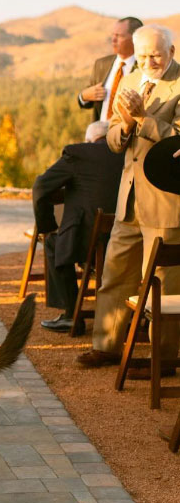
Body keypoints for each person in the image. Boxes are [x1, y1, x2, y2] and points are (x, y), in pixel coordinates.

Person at [77, 25, 180, 377]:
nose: (149, 61)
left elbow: (178, 138)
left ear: (172, 50)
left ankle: (163, 359)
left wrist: (141, 119)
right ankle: (105, 346)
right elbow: (114, 140)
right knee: (114, 274)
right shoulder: (130, 78)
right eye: (143, 55)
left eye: (156, 54)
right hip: (129, 197)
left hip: (167, 199)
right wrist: (122, 125)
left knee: (165, 282)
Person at [32, 121, 123, 332]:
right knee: (63, 241)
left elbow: (40, 187)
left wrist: (47, 226)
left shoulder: (80, 154)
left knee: (54, 243)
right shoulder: (127, 155)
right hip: (126, 241)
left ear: (89, 140)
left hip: (89, 245)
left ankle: (71, 314)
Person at [78, 16, 142, 122]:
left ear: (135, 39)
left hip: (128, 135)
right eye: (113, 35)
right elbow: (87, 101)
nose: (113, 39)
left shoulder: (144, 67)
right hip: (99, 134)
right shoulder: (101, 64)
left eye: (119, 36)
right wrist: (83, 96)